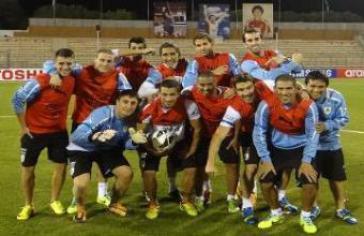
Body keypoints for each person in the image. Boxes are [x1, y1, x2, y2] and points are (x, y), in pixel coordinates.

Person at [43, 48, 132, 214]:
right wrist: (53, 72)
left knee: (104, 160)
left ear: (114, 62)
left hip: (107, 125)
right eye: (101, 60)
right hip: (82, 125)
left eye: (109, 61)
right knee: (80, 167)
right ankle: (75, 200)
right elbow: (50, 63)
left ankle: (102, 193)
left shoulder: (119, 77)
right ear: (95, 59)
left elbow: (129, 96)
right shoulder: (81, 72)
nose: (105, 63)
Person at [242, 28, 301, 214]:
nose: (254, 41)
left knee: (285, 164)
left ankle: (281, 196)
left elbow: (298, 68)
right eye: (250, 39)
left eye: (257, 37)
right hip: (259, 120)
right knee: (251, 167)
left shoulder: (273, 54)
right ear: (246, 43)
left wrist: (285, 60)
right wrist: (290, 63)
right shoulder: (246, 62)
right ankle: (246, 203)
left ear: (261, 38)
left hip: (281, 119)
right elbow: (267, 77)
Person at [13, 48, 75, 220]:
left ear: (73, 63)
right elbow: (17, 99)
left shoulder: (72, 78)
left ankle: (54, 200)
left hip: (58, 133)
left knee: (61, 167)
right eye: (61, 63)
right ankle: (28, 205)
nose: (65, 66)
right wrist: (23, 126)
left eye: (68, 63)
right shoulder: (40, 80)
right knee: (28, 169)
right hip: (34, 133)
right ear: (55, 63)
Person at [253, 74, 319, 234]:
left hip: (302, 148)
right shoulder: (266, 105)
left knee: (310, 181)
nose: (284, 92)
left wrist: (307, 160)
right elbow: (258, 132)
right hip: (277, 148)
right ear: (275, 89)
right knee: (265, 182)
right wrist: (265, 159)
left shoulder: (308, 105)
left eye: (288, 88)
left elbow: (313, 133)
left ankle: (306, 216)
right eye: (280, 89)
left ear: (296, 89)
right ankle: (276, 213)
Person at [67, 89, 147, 222]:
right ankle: (80, 208)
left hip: (106, 149)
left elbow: (126, 142)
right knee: (81, 184)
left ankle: (114, 203)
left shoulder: (131, 119)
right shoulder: (102, 114)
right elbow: (75, 137)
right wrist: (95, 136)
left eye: (133, 103)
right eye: (125, 102)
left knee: (126, 174)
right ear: (117, 102)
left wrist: (133, 141)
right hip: (82, 148)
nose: (128, 106)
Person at [206, 74, 273, 224]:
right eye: (241, 90)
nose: (247, 92)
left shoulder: (266, 86)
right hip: (249, 136)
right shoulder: (235, 108)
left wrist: (303, 92)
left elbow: (292, 87)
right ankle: (247, 205)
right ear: (235, 91)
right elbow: (218, 134)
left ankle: (280, 199)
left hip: (272, 133)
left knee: (276, 169)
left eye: (249, 87)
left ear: (254, 85)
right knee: (250, 170)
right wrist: (210, 161)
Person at [138, 79, 201, 219]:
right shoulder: (149, 108)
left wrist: (192, 150)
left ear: (179, 94)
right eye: (164, 94)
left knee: (191, 169)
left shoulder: (188, 105)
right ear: (159, 93)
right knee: (149, 173)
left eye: (172, 94)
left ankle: (186, 201)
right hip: (153, 143)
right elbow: (141, 133)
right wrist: (152, 150)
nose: (168, 98)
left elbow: (197, 129)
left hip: (179, 142)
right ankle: (153, 204)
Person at [305, 71, 358, 224]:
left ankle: (341, 209)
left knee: (337, 179)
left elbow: (344, 118)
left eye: (320, 86)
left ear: (327, 87)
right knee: (311, 180)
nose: (316, 90)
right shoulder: (301, 97)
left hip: (331, 146)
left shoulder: (336, 97)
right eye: (312, 86)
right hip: (309, 148)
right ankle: (314, 207)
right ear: (306, 85)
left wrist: (327, 125)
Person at [184, 72, 240, 213]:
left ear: (215, 83)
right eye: (202, 85)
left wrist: (236, 137)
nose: (205, 88)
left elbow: (238, 116)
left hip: (227, 134)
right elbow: (182, 92)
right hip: (206, 134)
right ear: (197, 84)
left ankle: (231, 198)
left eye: (209, 84)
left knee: (232, 165)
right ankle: (202, 195)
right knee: (201, 166)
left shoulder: (228, 94)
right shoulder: (191, 92)